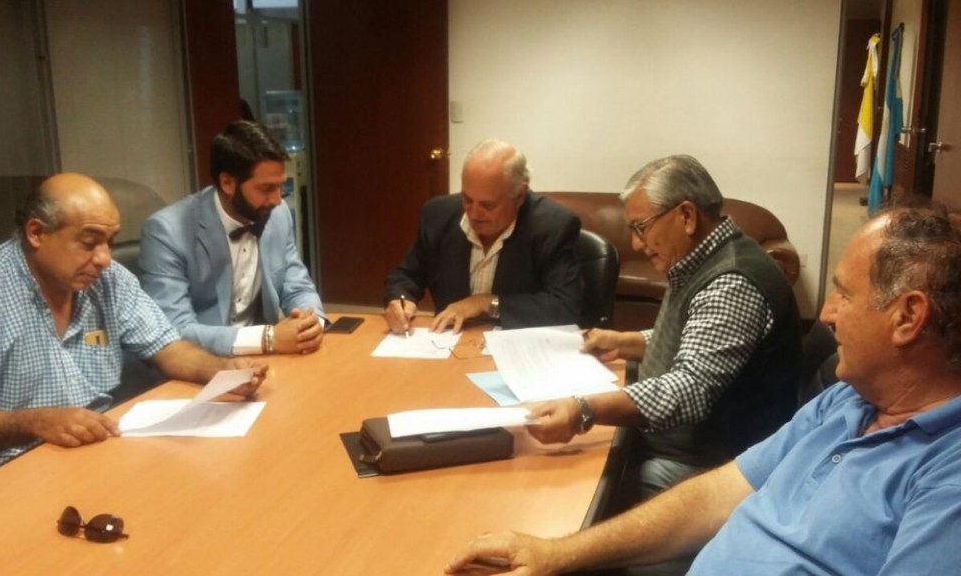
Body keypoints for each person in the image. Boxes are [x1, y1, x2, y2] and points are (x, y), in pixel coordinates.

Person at [445, 204, 961, 576]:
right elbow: (717, 495)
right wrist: (555, 553)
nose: (825, 313)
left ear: (908, 317)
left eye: (844, 294)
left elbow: (689, 388)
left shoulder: (947, 474)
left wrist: (585, 410)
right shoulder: (847, 398)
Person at [0, 174, 267, 495]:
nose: (104, 259)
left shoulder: (109, 281)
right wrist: (34, 422)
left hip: (89, 448)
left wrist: (221, 370)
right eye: (89, 243)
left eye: (109, 242)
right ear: (37, 233)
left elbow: (167, 347)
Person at [529, 156, 800, 521]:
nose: (637, 244)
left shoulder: (731, 281)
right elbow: (700, 336)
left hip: (715, 464)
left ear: (686, 215)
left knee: (578, 507)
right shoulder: (701, 258)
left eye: (641, 228)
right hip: (680, 446)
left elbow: (689, 389)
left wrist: (584, 408)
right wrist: (626, 341)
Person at [140, 120, 326, 357]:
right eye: (266, 189)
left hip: (265, 361)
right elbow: (173, 329)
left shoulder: (276, 215)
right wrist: (267, 338)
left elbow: (297, 285)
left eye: (280, 187)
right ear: (227, 183)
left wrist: (312, 322)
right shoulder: (166, 231)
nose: (278, 200)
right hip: (203, 364)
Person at [384, 138, 582, 334]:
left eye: (488, 205)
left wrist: (486, 302)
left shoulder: (553, 226)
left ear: (520, 195)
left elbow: (565, 306)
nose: (474, 213)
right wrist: (399, 299)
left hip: (515, 343)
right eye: (467, 199)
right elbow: (406, 275)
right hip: (449, 342)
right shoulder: (438, 215)